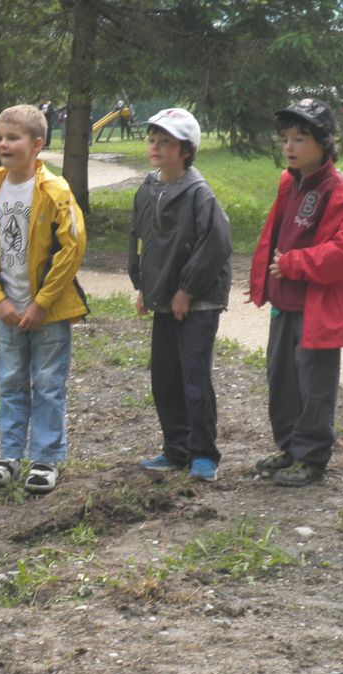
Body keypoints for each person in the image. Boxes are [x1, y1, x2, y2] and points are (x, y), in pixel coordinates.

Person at [248, 98, 343, 487]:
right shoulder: (290, 181)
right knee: (281, 379)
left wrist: (294, 264)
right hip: (285, 305)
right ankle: (290, 448)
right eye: (285, 138)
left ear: (324, 143)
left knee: (314, 386)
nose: (289, 146)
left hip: (316, 309)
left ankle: (312, 457)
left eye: (300, 138)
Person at [0, 104, 88, 494]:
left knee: (49, 383)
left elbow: (71, 249)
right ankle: (9, 455)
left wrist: (42, 303)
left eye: (13, 137)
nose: (4, 144)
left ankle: (46, 458)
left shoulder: (55, 191)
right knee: (11, 381)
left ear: (37, 145)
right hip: (8, 312)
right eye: (0, 137)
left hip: (47, 313)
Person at [128, 108, 232, 482]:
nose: (156, 146)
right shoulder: (148, 189)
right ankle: (176, 448)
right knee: (165, 376)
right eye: (153, 139)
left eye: (166, 141)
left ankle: (204, 453)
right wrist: (143, 285)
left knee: (193, 375)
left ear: (186, 150)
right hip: (163, 299)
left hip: (198, 300)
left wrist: (187, 290)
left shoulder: (199, 195)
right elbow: (140, 239)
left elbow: (216, 245)